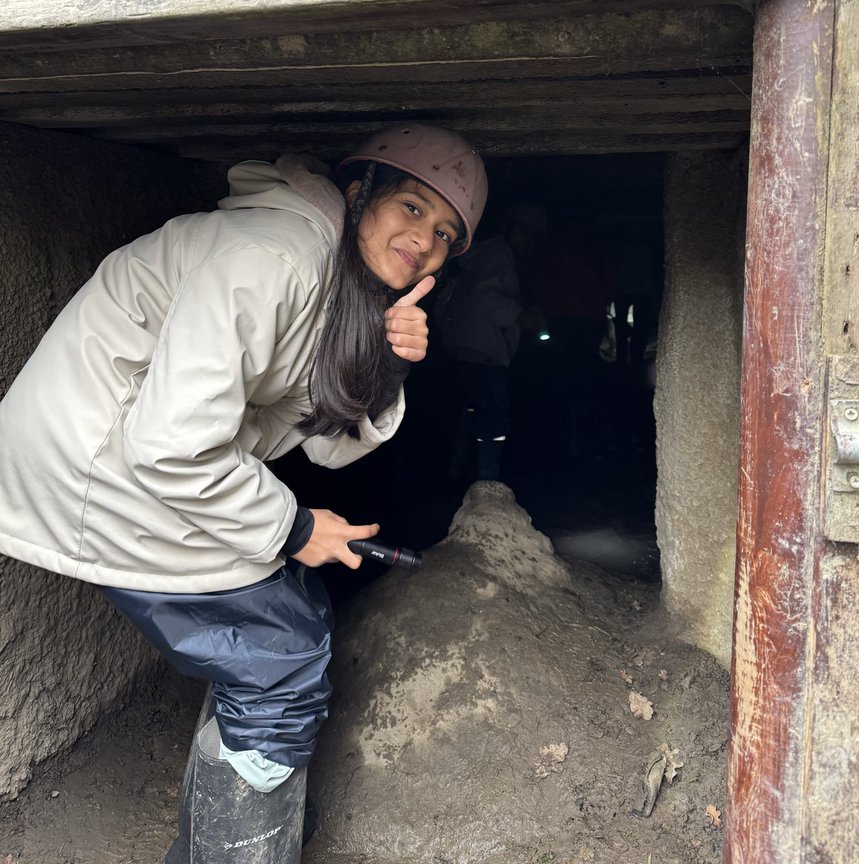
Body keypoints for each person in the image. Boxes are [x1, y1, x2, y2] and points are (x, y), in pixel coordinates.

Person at [0, 123, 487, 863]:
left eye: (446, 233)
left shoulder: (335, 282)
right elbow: (169, 444)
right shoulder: (275, 257)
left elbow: (325, 439)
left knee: (289, 623)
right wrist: (294, 529)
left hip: (141, 462)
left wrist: (389, 362)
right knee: (282, 654)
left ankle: (226, 833)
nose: (426, 238)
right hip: (97, 461)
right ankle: (242, 842)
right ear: (360, 193)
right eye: (413, 208)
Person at [437, 203, 546, 482]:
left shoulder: (481, 254)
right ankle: (488, 481)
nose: (528, 241)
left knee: (471, 409)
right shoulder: (500, 254)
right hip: (484, 348)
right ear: (509, 229)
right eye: (524, 233)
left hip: (464, 345)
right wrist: (520, 316)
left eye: (534, 236)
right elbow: (486, 297)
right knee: (494, 416)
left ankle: (456, 470)